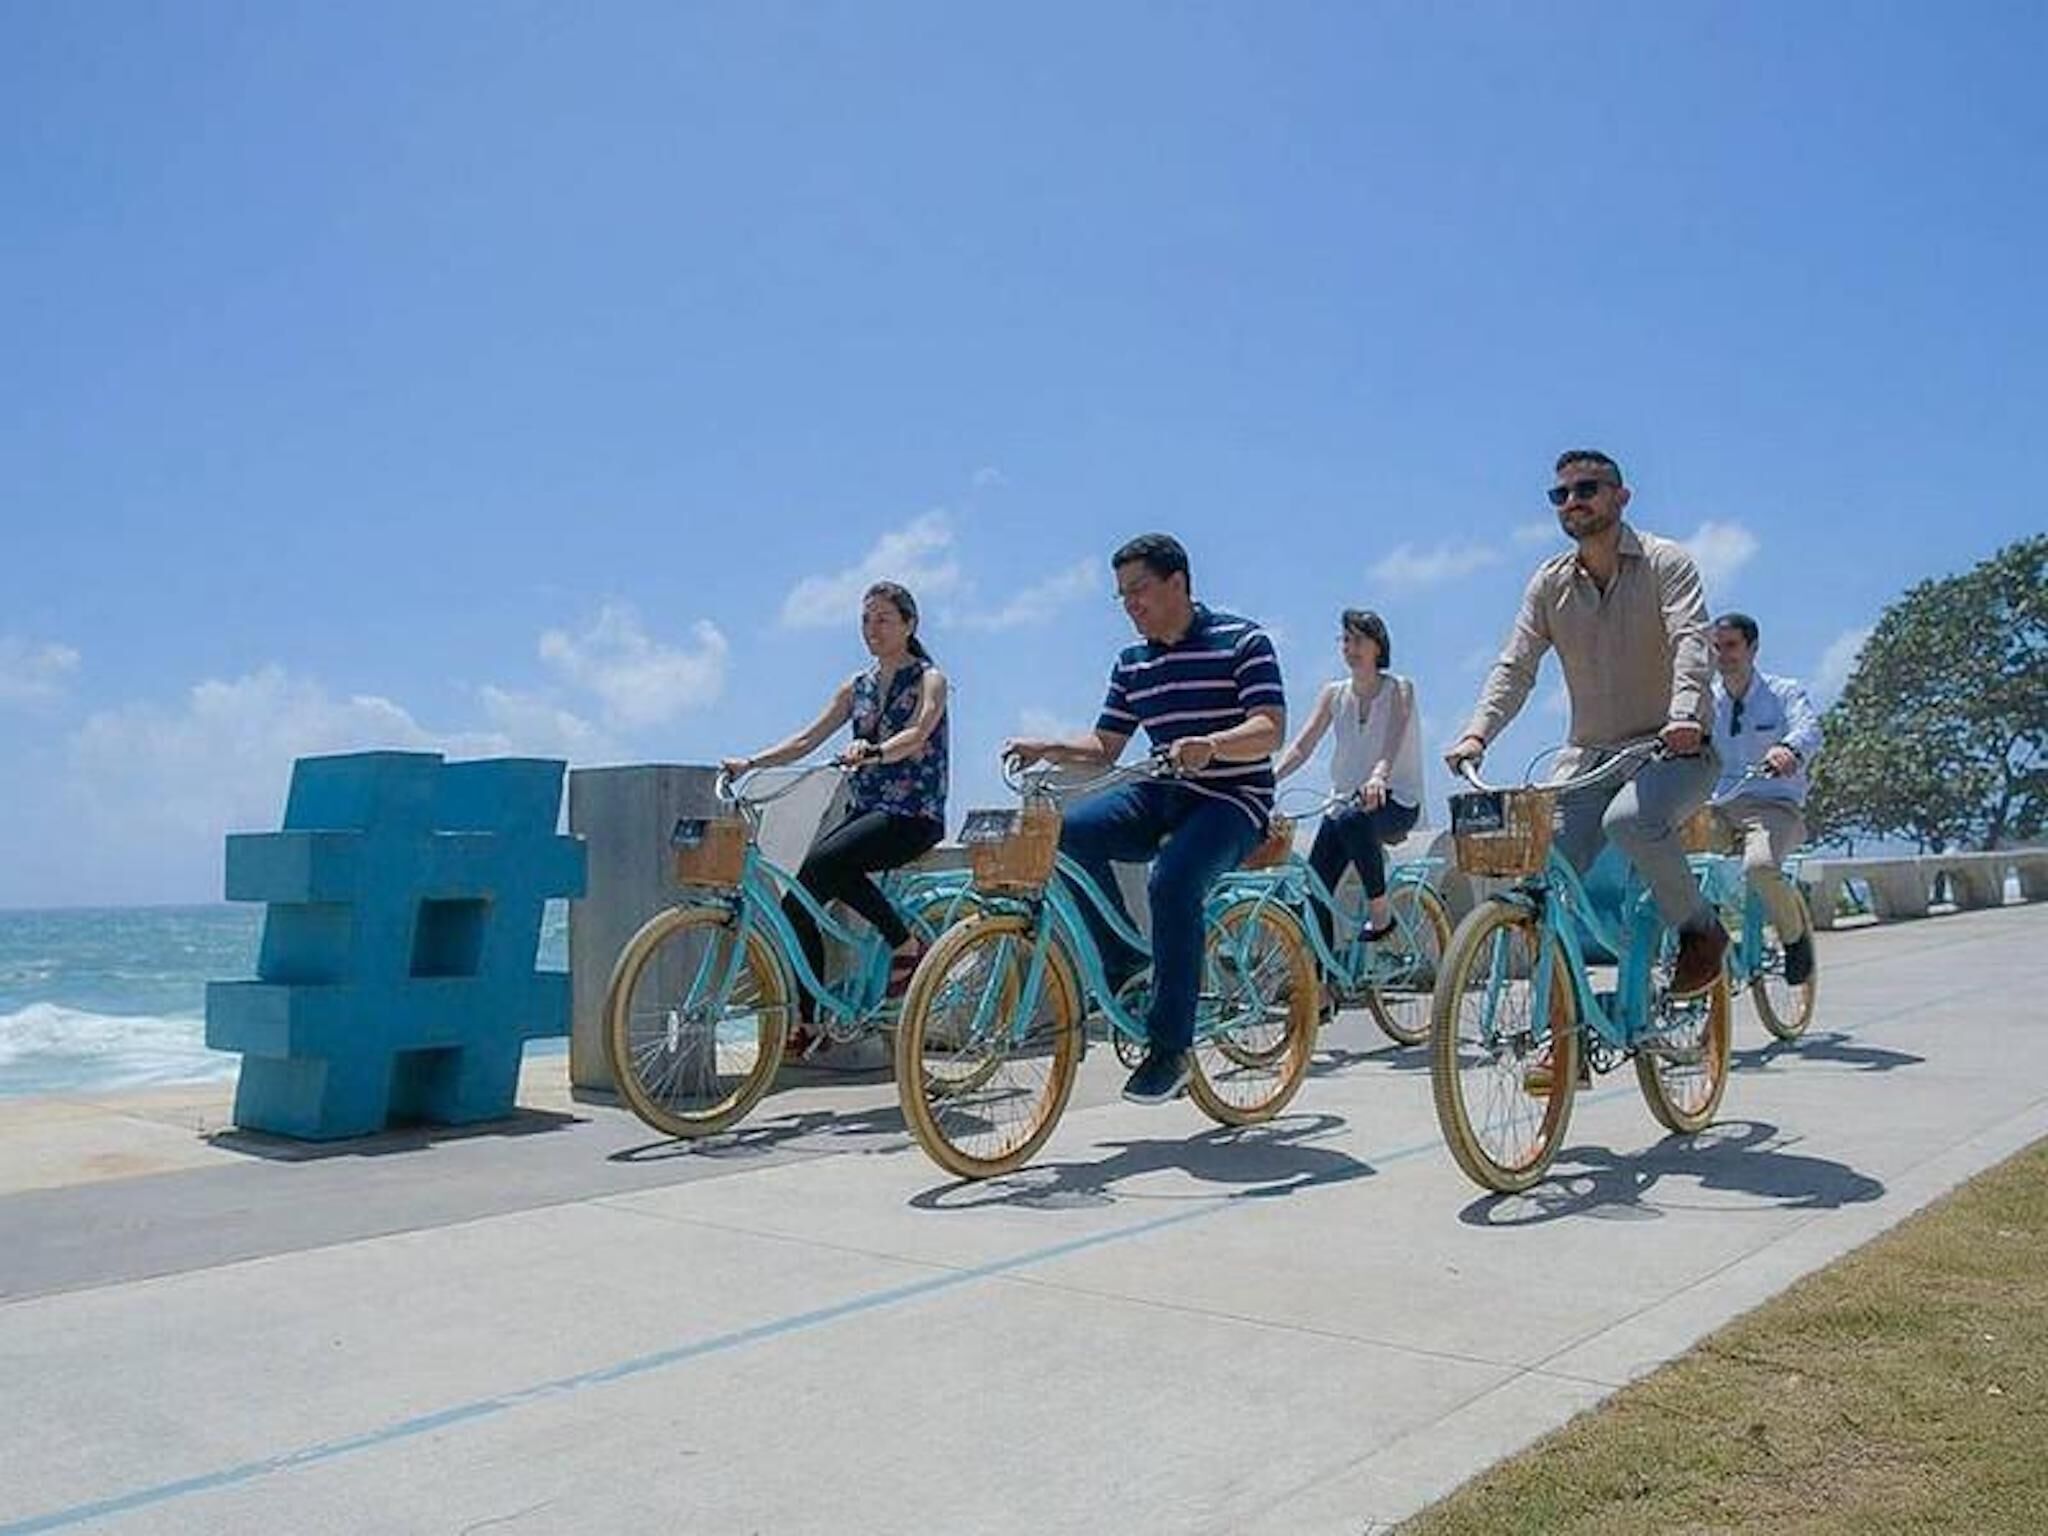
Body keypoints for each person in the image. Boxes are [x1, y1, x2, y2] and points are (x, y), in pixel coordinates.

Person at [1004, 534, 1286, 1104]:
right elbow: (1106, 745)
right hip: (1164, 792)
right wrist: (1049, 746)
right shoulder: (1132, 663)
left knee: (1172, 882)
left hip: (1233, 800)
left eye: (1140, 590)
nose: (1131, 604)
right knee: (1067, 834)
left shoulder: (1243, 640)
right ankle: (1127, 962)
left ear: (1178, 583)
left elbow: (1269, 729)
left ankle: (1170, 1049)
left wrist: (1212, 744)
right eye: (1122, 596)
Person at [1445, 449, 1727, 996]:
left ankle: (1701, 930)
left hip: (1673, 751)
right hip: (1591, 759)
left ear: (1621, 497)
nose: (1573, 501)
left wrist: (1685, 715)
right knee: (1542, 875)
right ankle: (1561, 1031)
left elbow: (1690, 640)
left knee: (1629, 822)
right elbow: (1516, 664)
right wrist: (1478, 732)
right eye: (1561, 494)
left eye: (1587, 489)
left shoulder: (1666, 562)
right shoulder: (1549, 584)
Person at [723, 582, 948, 1048]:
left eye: (884, 619)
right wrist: (750, 763)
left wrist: (876, 751)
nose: (873, 629)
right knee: (795, 904)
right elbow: (807, 740)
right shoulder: (857, 686)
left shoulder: (930, 678)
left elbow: (920, 733)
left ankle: (905, 943)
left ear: (909, 624)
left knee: (829, 862)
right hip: (865, 812)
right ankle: (810, 1021)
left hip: (913, 814)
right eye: (866, 620)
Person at [1274, 609, 1426, 960]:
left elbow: (1393, 739)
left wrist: (1378, 777)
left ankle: (1381, 912)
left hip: (1394, 800)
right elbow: (1302, 745)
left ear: (1378, 646)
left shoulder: (1399, 689)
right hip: (1345, 802)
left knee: (1352, 820)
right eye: (1345, 639)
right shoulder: (1333, 694)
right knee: (1314, 892)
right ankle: (1325, 984)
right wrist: (1270, 777)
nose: (1350, 647)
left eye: (1359, 639)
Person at [1708, 612, 1822, 986]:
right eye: (1717, 647)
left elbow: (1809, 729)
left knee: (1758, 868)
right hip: (1718, 808)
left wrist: (1788, 749)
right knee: (1669, 860)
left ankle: (1795, 940)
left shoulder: (1784, 692)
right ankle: (1698, 940)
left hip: (1773, 805)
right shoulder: (1706, 701)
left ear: (1752, 648)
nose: (1723, 655)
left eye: (1732, 646)